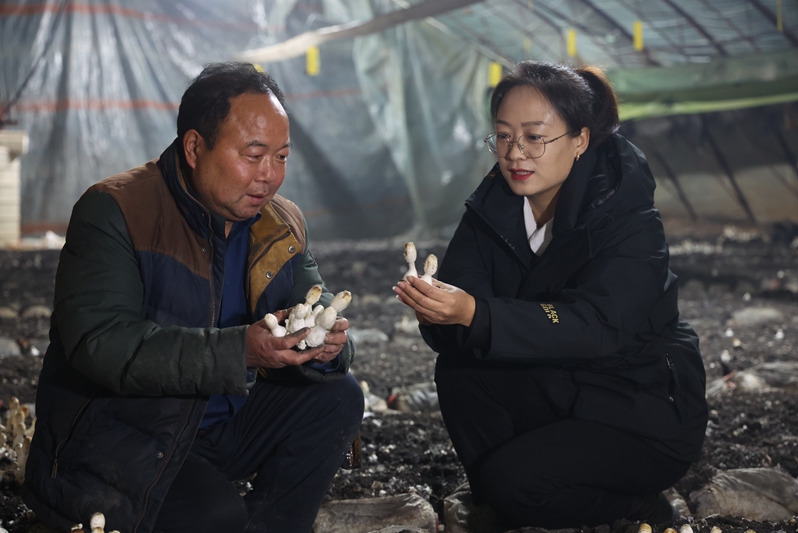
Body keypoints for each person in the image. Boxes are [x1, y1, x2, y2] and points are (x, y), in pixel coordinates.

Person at [22, 62, 364, 533]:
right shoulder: (116, 211)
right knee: (214, 516)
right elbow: (101, 344)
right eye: (253, 154)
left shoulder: (279, 223)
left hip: (221, 425)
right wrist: (238, 350)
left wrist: (327, 343)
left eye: (282, 157)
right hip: (125, 433)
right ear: (194, 147)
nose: (269, 176)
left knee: (338, 397)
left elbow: (318, 299)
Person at [394, 61, 708, 528]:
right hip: (561, 388)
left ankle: (636, 508)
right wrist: (441, 313)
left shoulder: (628, 220)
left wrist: (477, 314)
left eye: (534, 137)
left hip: (638, 411)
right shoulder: (492, 211)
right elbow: (468, 314)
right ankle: (523, 498)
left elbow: (598, 325)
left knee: (512, 483)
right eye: (503, 136)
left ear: (580, 140)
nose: (515, 153)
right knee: (460, 371)